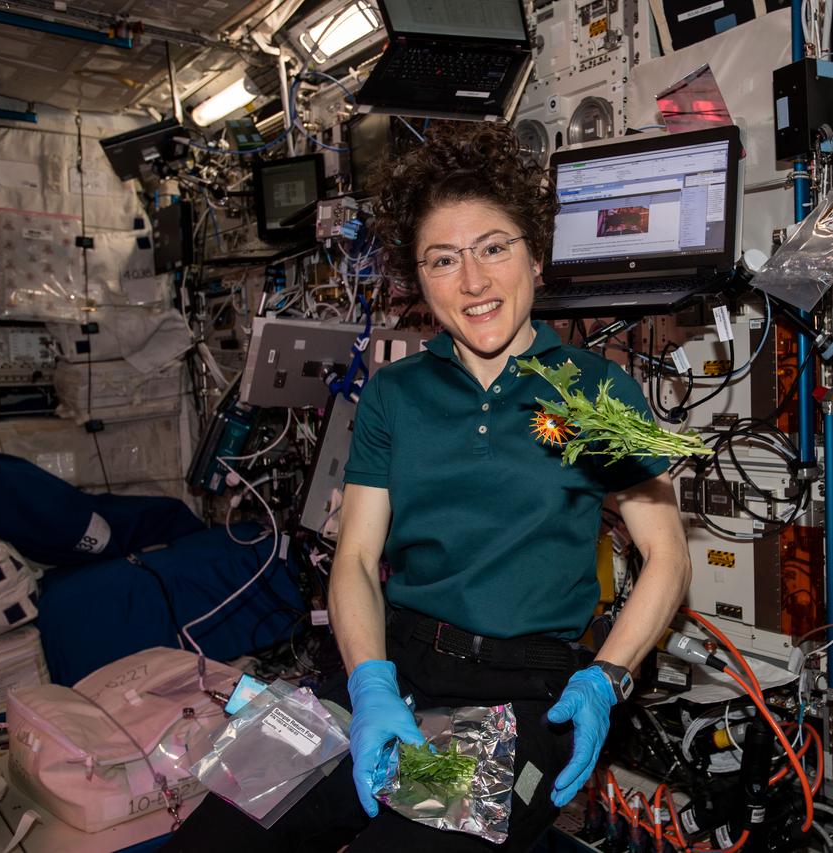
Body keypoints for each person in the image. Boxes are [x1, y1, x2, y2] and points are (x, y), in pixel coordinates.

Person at [162, 121, 690, 852]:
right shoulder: (393, 395)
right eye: (443, 260)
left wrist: (606, 677)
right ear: (419, 281)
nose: (472, 281)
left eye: (493, 248)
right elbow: (354, 560)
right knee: (218, 834)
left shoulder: (600, 389)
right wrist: (370, 683)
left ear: (536, 256)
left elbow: (668, 557)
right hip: (387, 666)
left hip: (521, 689)